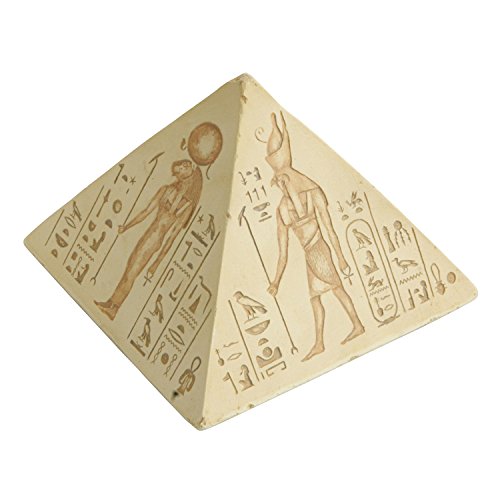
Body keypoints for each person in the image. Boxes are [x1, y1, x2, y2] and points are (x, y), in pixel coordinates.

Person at [264, 112, 365, 361]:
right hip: (310, 255)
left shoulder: (313, 194)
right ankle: (321, 341)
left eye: (282, 181)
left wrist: (340, 257)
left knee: (335, 290)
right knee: (316, 297)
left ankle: (356, 325)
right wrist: (276, 281)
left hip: (319, 249)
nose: (281, 186)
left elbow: (329, 229)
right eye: (278, 182)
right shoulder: (282, 210)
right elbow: (283, 253)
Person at [94, 159, 202, 320]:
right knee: (129, 269)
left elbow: (171, 237)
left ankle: (114, 308)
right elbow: (146, 212)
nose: (177, 176)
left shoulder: (187, 205)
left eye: (179, 171)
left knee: (131, 273)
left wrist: (156, 263)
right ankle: (112, 304)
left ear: (188, 170)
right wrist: (127, 226)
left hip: (154, 241)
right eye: (176, 173)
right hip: (147, 236)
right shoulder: (166, 190)